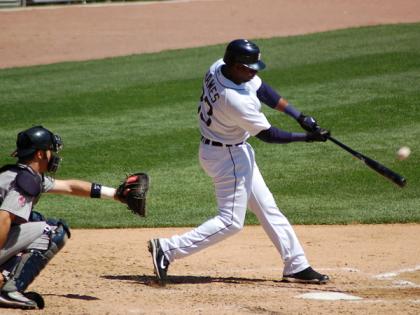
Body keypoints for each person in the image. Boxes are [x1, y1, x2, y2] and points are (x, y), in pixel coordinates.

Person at [148, 39, 330, 285]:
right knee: (231, 222)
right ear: (233, 65)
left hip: (226, 150)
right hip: (228, 158)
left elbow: (263, 89)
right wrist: (308, 137)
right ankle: (168, 249)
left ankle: (296, 265)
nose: (253, 71)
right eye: (248, 67)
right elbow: (269, 135)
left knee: (267, 207)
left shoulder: (219, 68)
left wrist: (299, 116)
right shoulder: (233, 99)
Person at [0, 125, 139, 310]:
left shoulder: (22, 174)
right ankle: (9, 290)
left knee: (33, 218)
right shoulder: (24, 181)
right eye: (50, 150)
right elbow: (3, 219)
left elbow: (70, 187)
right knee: (53, 230)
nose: (53, 155)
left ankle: (4, 277)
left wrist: (115, 194)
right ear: (40, 154)